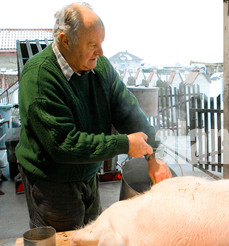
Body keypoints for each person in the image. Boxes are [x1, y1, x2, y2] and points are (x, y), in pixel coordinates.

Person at [16, 3, 171, 231]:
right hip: (52, 180)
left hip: (88, 172)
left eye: (101, 43)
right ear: (64, 40)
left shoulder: (101, 68)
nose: (101, 52)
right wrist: (124, 143)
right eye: (92, 45)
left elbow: (128, 111)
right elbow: (63, 145)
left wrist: (154, 156)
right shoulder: (40, 77)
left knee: (91, 233)